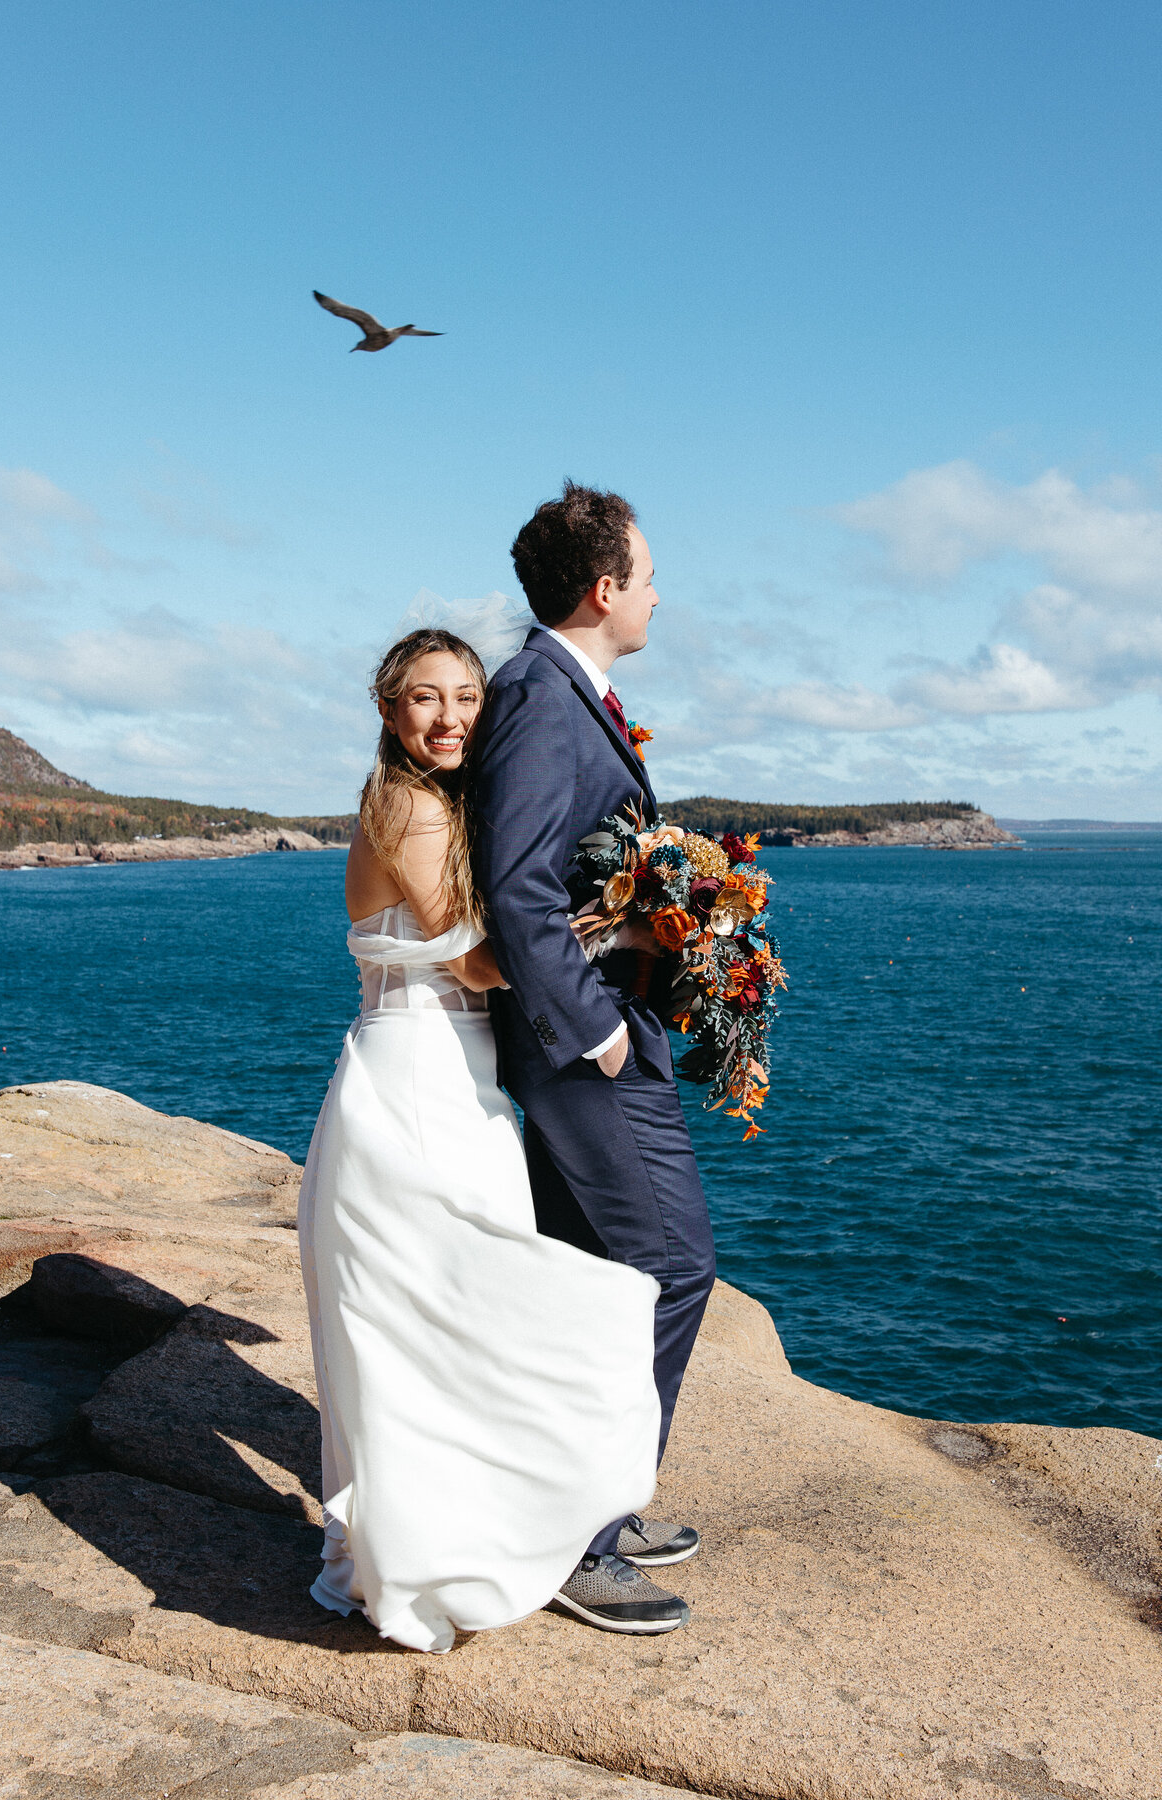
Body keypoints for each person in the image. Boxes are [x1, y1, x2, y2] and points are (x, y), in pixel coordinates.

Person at [298, 626, 663, 1654]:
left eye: (466, 696)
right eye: (425, 698)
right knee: (441, 1320)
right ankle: (434, 1555)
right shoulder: (406, 804)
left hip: (460, 1088)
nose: (451, 717)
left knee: (454, 1321)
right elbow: (480, 963)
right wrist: (622, 926)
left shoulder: (449, 803)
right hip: (413, 1090)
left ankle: (472, 1535)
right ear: (388, 711)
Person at [473, 482, 718, 1634]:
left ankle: (584, 1506)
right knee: (670, 1266)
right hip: (587, 1053)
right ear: (606, 586)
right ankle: (580, 1537)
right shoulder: (538, 694)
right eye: (653, 574)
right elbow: (517, 883)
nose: (663, 594)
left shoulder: (574, 694)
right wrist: (602, 1026)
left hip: (604, 1034)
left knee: (590, 1279)